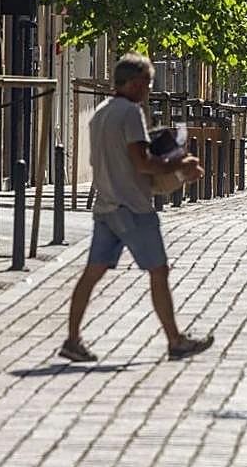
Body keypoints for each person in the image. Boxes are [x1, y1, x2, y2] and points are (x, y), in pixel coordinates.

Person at [60, 53, 213, 363]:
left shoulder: (100, 113)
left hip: (106, 205)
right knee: (158, 270)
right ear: (131, 83)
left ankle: (72, 339)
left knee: (91, 274)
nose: (148, 89)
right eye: (146, 82)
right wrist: (179, 162)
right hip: (133, 207)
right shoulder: (130, 114)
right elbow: (142, 163)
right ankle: (175, 341)